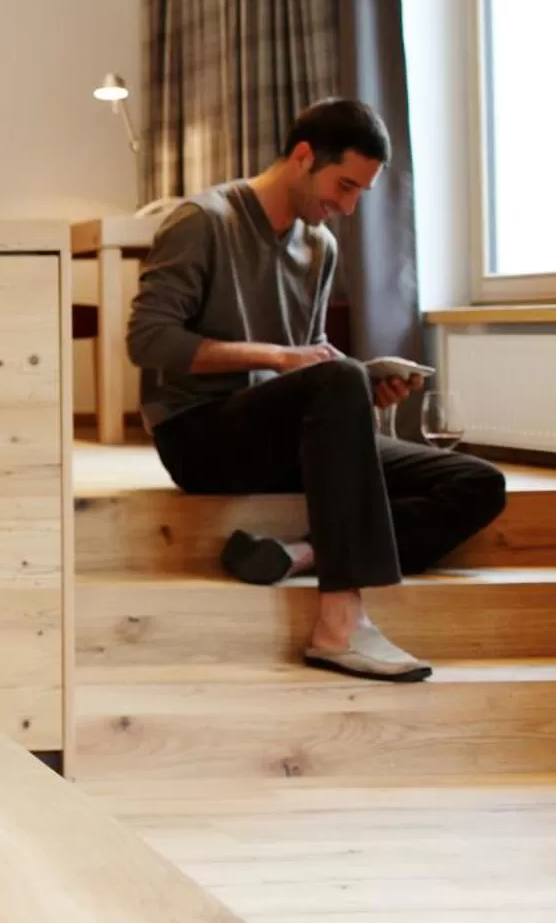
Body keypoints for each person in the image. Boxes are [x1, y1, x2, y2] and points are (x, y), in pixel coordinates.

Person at [126, 98, 507, 684]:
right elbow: (149, 341)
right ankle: (340, 624)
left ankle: (300, 553)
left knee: (477, 483)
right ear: (303, 156)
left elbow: (310, 357)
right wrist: (284, 358)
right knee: (337, 381)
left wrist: (360, 381)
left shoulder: (318, 248)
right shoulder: (202, 221)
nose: (348, 207)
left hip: (284, 433)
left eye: (361, 194)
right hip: (201, 434)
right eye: (344, 185)